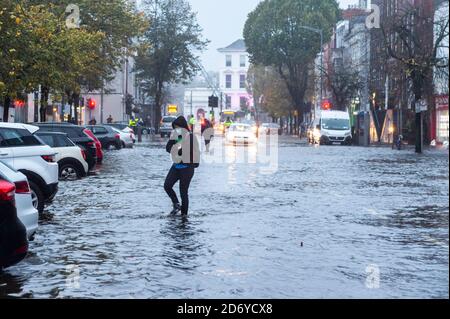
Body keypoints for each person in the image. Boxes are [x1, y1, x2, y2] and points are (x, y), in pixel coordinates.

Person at [164, 116, 200, 216]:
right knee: (167, 185)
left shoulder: (191, 136)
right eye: (175, 128)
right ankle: (176, 204)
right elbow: (168, 147)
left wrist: (195, 163)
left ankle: (184, 216)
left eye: (178, 127)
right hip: (176, 166)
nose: (176, 130)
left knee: (183, 191)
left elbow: (196, 151)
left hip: (187, 168)